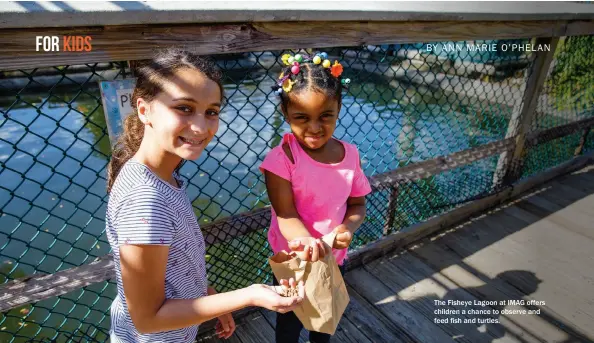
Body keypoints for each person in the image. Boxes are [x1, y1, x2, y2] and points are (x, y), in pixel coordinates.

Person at [105, 48, 304, 343]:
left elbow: (177, 265)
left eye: (211, 111)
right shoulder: (145, 200)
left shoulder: (163, 176)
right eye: (184, 108)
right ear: (144, 110)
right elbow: (147, 319)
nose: (201, 127)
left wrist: (210, 300)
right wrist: (248, 296)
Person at [259, 51, 372, 343]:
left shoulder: (351, 155)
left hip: (334, 257)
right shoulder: (281, 160)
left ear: (339, 109)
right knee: (289, 321)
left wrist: (348, 227)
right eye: (301, 117)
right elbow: (285, 214)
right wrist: (306, 241)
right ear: (285, 114)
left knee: (323, 320)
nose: (314, 127)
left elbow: (358, 204)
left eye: (325, 116)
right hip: (294, 261)